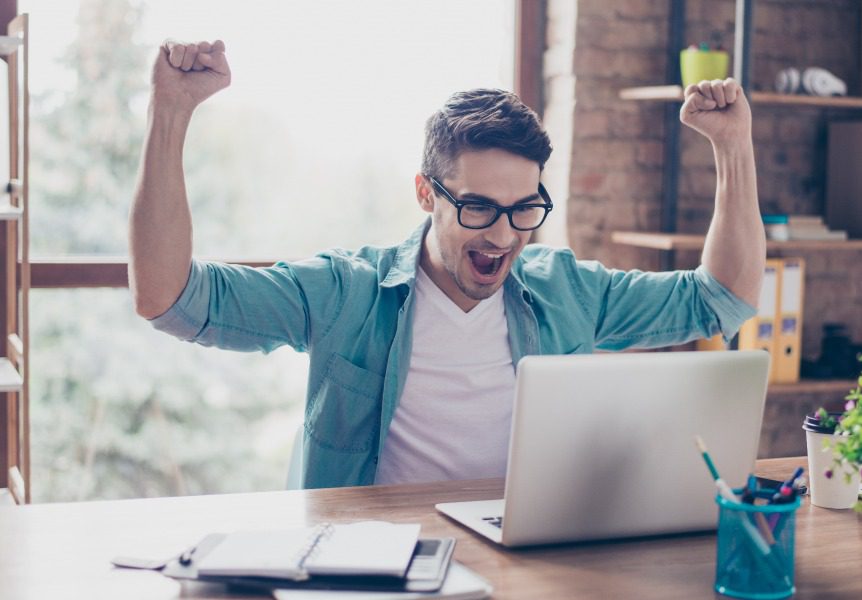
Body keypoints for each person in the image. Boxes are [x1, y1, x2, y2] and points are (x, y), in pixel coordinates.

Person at [129, 40, 765, 489]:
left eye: (525, 209)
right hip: (373, 560)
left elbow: (723, 298)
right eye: (480, 207)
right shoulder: (347, 292)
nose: (503, 235)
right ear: (426, 193)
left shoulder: (567, 290)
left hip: (522, 556)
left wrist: (734, 148)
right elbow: (170, 298)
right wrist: (171, 112)